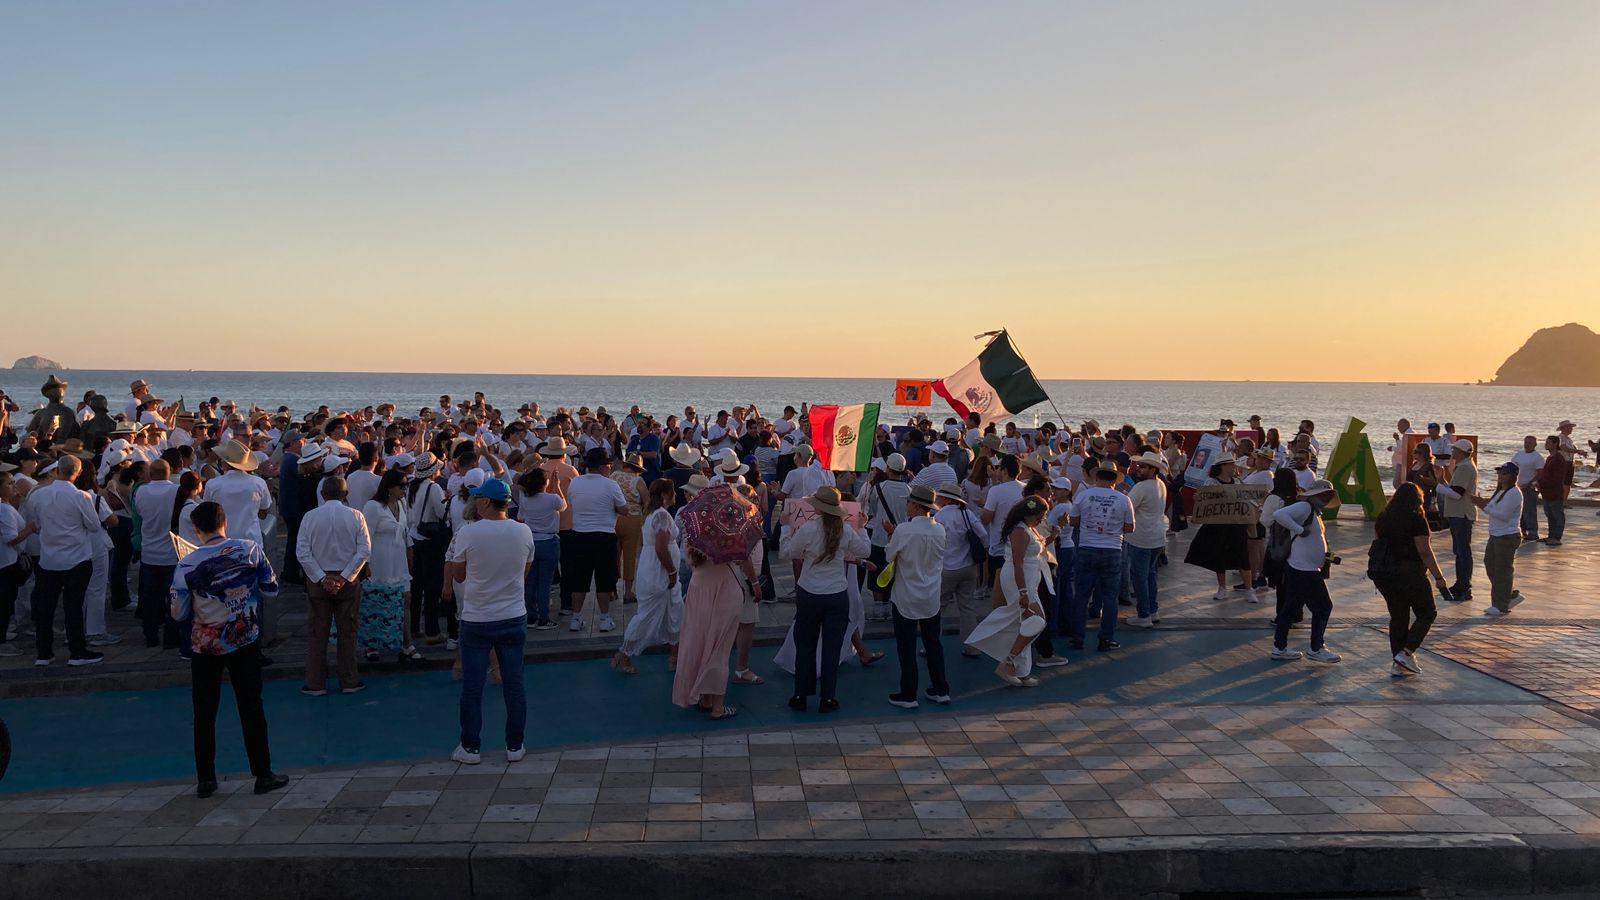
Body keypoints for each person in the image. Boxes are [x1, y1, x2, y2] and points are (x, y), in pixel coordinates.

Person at [169, 500, 288, 798]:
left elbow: (178, 613)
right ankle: (263, 773)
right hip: (244, 637)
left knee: (204, 711)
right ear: (225, 522)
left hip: (205, 644)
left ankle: (206, 779)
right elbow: (270, 588)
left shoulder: (186, 564)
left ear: (197, 530)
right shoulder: (249, 549)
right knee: (251, 707)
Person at [443, 477, 535, 764]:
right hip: (512, 615)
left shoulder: (469, 533)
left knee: (472, 686)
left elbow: (458, 574)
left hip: (477, 618)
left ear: (484, 502)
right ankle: (515, 745)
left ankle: (470, 747)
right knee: (514, 683)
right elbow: (524, 572)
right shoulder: (524, 532)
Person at [780, 485, 870, 713]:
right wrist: (862, 527)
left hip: (809, 592)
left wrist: (785, 528)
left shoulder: (808, 529)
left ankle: (800, 694)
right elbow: (864, 551)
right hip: (836, 594)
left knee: (806, 645)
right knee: (832, 647)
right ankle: (828, 697)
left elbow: (789, 552)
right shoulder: (846, 531)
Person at [22, 454, 107, 667]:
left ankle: (44, 652)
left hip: (49, 558)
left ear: (58, 470)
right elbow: (94, 526)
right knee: (73, 606)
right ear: (77, 473)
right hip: (77, 558)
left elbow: (35, 523)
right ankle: (76, 651)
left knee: (46, 607)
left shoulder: (39, 496)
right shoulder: (81, 497)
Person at [672, 518, 759, 720]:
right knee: (719, 649)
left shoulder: (692, 538)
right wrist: (754, 583)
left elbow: (689, 563)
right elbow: (742, 558)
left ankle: (705, 698)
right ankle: (718, 706)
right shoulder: (729, 536)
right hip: (725, 593)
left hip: (699, 592)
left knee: (700, 644)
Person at [296, 476, 372, 696]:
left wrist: (321, 577)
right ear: (345, 495)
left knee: (317, 632)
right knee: (347, 632)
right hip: (347, 580)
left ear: (322, 494)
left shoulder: (310, 517)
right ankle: (349, 680)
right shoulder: (356, 516)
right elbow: (364, 550)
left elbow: (302, 552)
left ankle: (315, 683)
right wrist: (345, 576)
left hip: (318, 580)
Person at [968, 495, 1052, 685]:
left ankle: (1021, 671)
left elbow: (1033, 550)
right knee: (1036, 621)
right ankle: (1009, 661)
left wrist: (1053, 535)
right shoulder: (1019, 531)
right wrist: (1023, 592)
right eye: (1039, 516)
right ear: (1028, 514)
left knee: (1023, 623)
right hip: (1019, 581)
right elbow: (1017, 563)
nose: (1041, 520)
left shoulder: (1028, 529)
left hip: (1028, 580)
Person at [1367, 483, 1447, 677]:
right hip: (1410, 573)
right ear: (1418, 500)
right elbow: (1424, 552)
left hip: (1385, 574)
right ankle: (1407, 651)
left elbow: (1379, 544)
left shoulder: (1383, 518)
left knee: (1399, 616)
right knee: (1427, 613)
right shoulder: (1417, 520)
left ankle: (1398, 661)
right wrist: (1439, 577)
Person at [884, 483, 950, 708]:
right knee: (934, 644)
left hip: (906, 595)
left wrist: (891, 535)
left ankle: (908, 693)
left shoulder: (904, 530)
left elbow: (889, 555)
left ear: (915, 505)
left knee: (907, 646)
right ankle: (941, 689)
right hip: (931, 594)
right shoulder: (939, 529)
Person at [612, 479, 681, 674]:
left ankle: (674, 658)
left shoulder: (652, 513)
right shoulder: (662, 516)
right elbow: (661, 547)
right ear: (667, 495)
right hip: (660, 573)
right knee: (648, 615)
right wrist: (672, 572)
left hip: (652, 568)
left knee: (675, 612)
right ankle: (624, 653)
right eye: (673, 492)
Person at [1269, 479, 1340, 663]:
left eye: (1328, 496)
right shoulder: (1305, 508)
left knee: (1289, 608)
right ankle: (1316, 648)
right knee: (1324, 607)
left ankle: (1280, 647)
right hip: (1304, 569)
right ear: (1314, 495)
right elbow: (1279, 514)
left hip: (1301, 567)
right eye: (1324, 495)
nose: (1326, 499)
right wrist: (1299, 530)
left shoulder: (1314, 511)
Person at [1068, 462, 1135, 651]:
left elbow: (1073, 521)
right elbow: (1130, 528)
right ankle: (1106, 638)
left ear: (1097, 477)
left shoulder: (1083, 495)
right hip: (1112, 549)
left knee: (1081, 595)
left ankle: (1077, 637)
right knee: (1110, 597)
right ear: (1114, 480)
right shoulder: (1123, 499)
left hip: (1087, 547)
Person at [566, 448, 628, 633]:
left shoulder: (575, 482)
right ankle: (604, 618)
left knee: (579, 579)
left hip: (579, 535)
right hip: (604, 536)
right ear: (602, 466)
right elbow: (624, 510)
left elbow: (571, 501)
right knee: (604, 579)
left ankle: (576, 618)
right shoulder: (611, 485)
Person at [360, 469, 418, 663]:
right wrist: (365, 563)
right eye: (402, 486)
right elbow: (365, 536)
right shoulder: (373, 507)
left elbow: (406, 531)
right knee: (377, 600)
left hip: (399, 560)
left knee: (406, 599)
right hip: (379, 560)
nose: (405, 489)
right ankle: (371, 645)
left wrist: (410, 553)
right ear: (390, 487)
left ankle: (407, 643)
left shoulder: (402, 504)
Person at [1184, 454, 1256, 602]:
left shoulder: (1237, 481)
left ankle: (1249, 589)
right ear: (1223, 466)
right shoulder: (1211, 482)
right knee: (1219, 556)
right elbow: (1203, 500)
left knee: (1243, 557)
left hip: (1236, 524)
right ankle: (1222, 588)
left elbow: (1247, 499)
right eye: (1231, 465)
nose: (1234, 467)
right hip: (1218, 525)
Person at [406, 454, 455, 645]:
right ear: (434, 470)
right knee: (432, 586)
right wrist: (448, 501)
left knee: (416, 585)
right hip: (430, 540)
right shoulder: (433, 487)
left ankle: (414, 627)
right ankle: (432, 631)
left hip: (413, 537)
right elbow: (442, 514)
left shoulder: (411, 485)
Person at [934, 485, 987, 655]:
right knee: (967, 608)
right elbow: (983, 535)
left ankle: (932, 645)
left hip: (947, 568)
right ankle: (972, 647)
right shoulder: (967, 514)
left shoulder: (940, 516)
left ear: (947, 499)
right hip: (968, 567)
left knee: (938, 608)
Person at [514, 466, 564, 629]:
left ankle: (531, 616)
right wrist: (556, 486)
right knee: (545, 582)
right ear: (545, 482)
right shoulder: (552, 499)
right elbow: (563, 506)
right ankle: (544, 617)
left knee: (530, 581)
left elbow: (521, 517)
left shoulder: (526, 499)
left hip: (530, 540)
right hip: (549, 541)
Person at [1432, 439, 1479, 603]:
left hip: (1462, 515)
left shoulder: (1465, 468)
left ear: (1460, 452)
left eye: (1454, 450)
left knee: (1462, 552)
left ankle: (1464, 587)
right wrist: (1441, 480)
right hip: (1458, 514)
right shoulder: (1463, 466)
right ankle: (1461, 584)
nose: (1452, 453)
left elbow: (1457, 494)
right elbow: (1454, 489)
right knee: (1460, 551)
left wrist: (1437, 487)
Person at [1124, 452, 1167, 628]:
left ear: (1152, 469)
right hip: (1157, 537)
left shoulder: (1141, 487)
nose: (1138, 469)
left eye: (1143, 467)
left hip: (1141, 538)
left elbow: (1128, 508)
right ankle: (1152, 610)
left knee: (1139, 577)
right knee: (1150, 575)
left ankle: (1143, 615)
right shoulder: (1161, 484)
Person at [1477, 461, 1524, 617]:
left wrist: (1483, 505)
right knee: (1490, 564)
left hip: (1507, 535)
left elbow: (1503, 515)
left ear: (1513, 476)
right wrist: (1483, 504)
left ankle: (1500, 605)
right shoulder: (1501, 491)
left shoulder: (1514, 493)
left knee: (1502, 570)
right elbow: (1492, 509)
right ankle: (1508, 595)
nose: (1500, 476)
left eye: (1504, 474)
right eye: (1499, 473)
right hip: (1496, 534)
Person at [0, 470, 31, 658]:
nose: (14, 486)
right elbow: (11, 538)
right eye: (9, 484)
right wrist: (30, 529)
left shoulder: (5, 506)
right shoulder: (3, 510)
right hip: (6, 563)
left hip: (6, 561)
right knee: (4, 603)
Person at [611, 453, 649, 604]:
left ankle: (612, 589)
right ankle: (628, 592)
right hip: (632, 518)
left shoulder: (613, 476)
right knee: (630, 556)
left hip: (613, 518)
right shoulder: (638, 480)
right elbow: (646, 501)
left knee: (613, 555)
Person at [1535, 435, 1571, 546]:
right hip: (1547, 493)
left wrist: (1543, 483)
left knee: (1557, 515)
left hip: (1555, 492)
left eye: (1548, 442)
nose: (1546, 444)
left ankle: (1556, 537)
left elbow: (1557, 477)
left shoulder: (1558, 459)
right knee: (1550, 515)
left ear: (1555, 444)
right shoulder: (1550, 458)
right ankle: (1551, 536)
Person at [1509, 435, 1544, 541]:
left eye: (1530, 443)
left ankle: (1533, 532)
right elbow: (1511, 467)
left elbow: (1540, 473)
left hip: (1529, 488)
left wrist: (1529, 484)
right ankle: (1521, 530)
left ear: (1535, 444)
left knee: (1529, 510)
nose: (1527, 444)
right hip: (1517, 487)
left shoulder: (1537, 457)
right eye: (1526, 442)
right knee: (1519, 510)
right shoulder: (1518, 455)